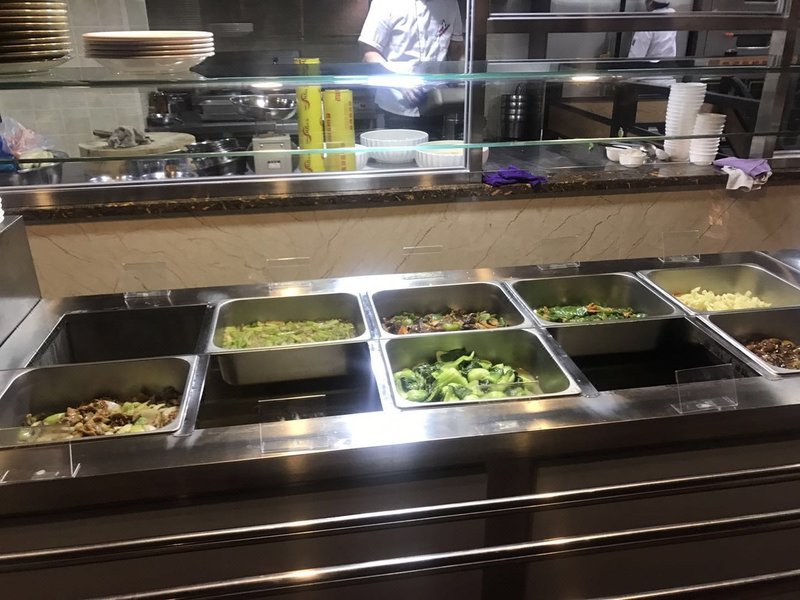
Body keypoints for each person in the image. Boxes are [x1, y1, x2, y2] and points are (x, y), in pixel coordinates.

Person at [359, 0, 465, 134]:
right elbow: (369, 53)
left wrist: (465, 79)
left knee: (433, 147)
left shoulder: (450, 3)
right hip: (395, 105)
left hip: (437, 104)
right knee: (399, 147)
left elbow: (457, 48)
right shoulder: (385, 3)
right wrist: (400, 82)